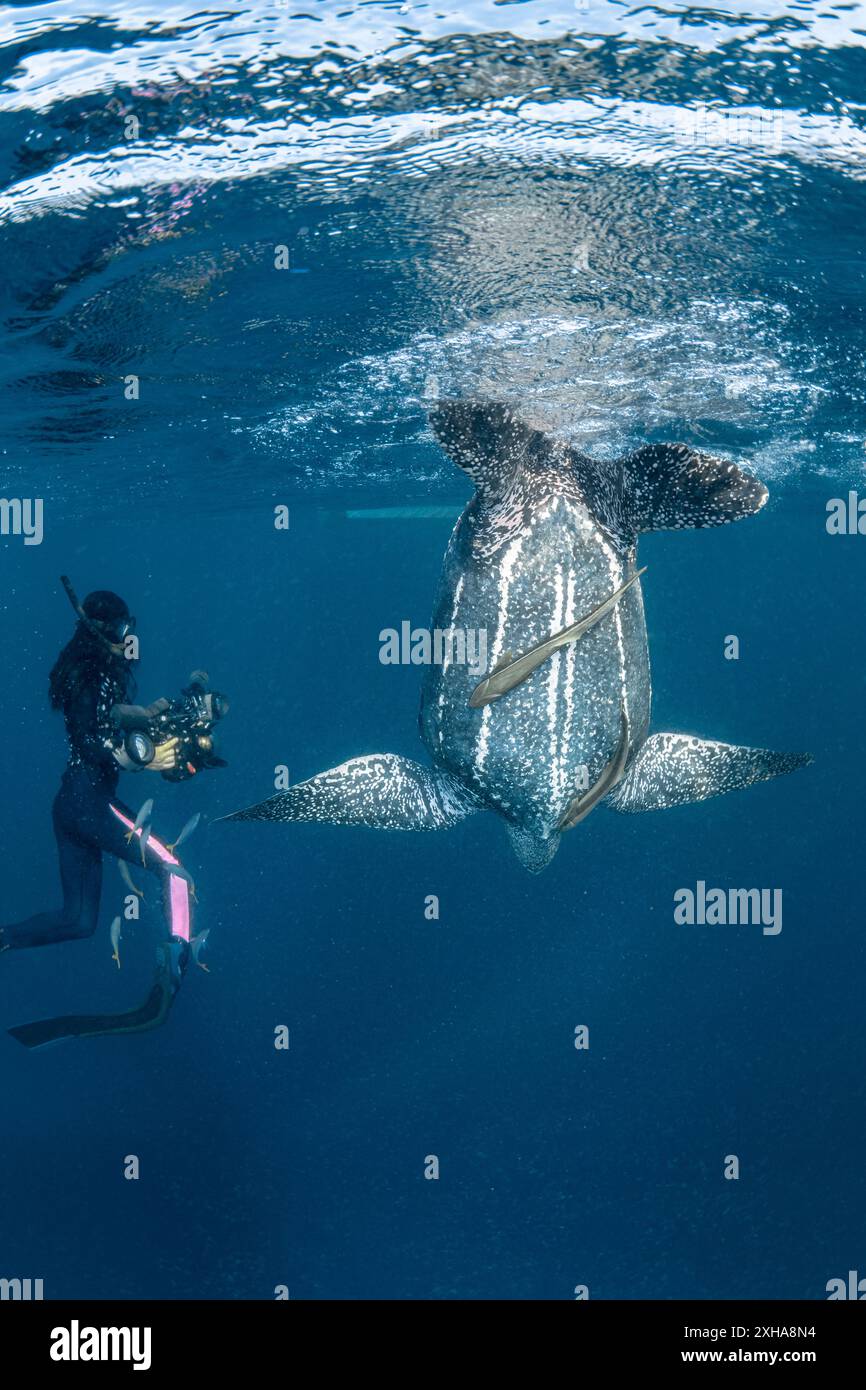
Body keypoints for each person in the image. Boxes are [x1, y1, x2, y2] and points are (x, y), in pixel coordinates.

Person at [1, 587, 194, 1044]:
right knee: (175, 872)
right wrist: (145, 760)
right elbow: (94, 743)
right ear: (106, 630)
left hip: (72, 804)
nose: (129, 640)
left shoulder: (90, 672)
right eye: (124, 630)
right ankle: (175, 965)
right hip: (89, 801)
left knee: (80, 921)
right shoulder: (93, 675)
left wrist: (152, 719)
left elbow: (105, 725)